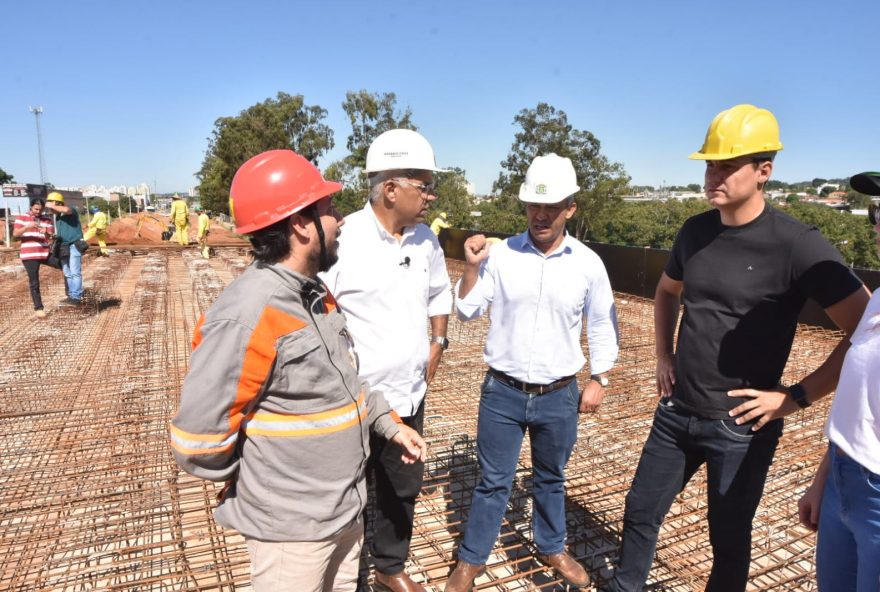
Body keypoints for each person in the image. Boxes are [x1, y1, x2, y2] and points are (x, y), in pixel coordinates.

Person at [609, 105, 870, 592]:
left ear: (764, 171)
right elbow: (667, 291)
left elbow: (866, 327)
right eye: (710, 164)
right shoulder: (696, 231)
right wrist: (664, 356)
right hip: (676, 413)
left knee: (728, 539)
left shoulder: (797, 244)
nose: (713, 176)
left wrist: (794, 398)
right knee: (640, 512)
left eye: (726, 166)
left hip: (741, 427)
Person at [170, 149, 427, 592]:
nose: (341, 221)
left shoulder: (315, 295)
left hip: (344, 513)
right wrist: (263, 484)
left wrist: (388, 424)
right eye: (329, 210)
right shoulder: (249, 313)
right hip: (291, 532)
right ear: (300, 224)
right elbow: (198, 439)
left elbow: (343, 384)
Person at [446, 154, 619, 591]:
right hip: (502, 392)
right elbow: (466, 311)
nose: (540, 215)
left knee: (550, 477)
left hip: (558, 394)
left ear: (570, 208)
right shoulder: (501, 255)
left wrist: (600, 377)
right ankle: (471, 559)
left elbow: (601, 322)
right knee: (493, 481)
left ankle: (551, 545)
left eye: (551, 206)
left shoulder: (588, 264)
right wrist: (470, 267)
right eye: (532, 206)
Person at [321, 129, 452, 592]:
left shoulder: (426, 242)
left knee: (402, 488)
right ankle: (342, 574)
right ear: (391, 188)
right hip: (353, 402)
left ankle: (389, 568)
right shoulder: (344, 238)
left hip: (407, 397)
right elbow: (316, 306)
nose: (431, 195)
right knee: (345, 494)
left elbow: (440, 294)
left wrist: (438, 342)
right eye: (424, 184)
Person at [797, 173, 880, 592]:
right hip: (845, 480)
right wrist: (824, 478)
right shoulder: (879, 299)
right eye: (879, 211)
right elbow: (860, 407)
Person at [13, 197, 63, 318]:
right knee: (34, 282)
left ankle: (72, 294)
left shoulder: (47, 219)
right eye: (36, 209)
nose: (38, 212)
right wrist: (27, 227)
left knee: (64, 266)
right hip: (29, 255)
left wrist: (45, 231)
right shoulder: (22, 218)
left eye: (40, 210)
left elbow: (50, 237)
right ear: (31, 207)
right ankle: (39, 308)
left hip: (45, 253)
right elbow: (15, 234)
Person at [45, 191, 86, 305]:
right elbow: (62, 234)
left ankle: (76, 297)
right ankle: (72, 295)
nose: (50, 208)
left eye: (51, 204)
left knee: (75, 272)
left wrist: (51, 205)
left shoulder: (71, 210)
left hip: (74, 245)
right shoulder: (57, 217)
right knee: (67, 272)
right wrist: (51, 236)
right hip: (63, 246)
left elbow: (67, 210)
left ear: (57, 203)